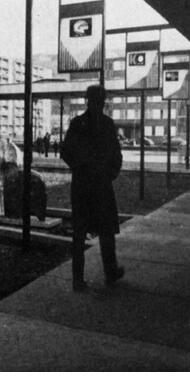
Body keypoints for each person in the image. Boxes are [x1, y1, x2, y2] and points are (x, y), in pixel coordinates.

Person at [60, 84, 124, 292]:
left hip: (81, 185)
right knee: (106, 231)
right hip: (101, 185)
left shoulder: (78, 123)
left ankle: (78, 279)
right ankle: (110, 271)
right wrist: (108, 174)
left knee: (79, 233)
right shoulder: (107, 124)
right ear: (103, 101)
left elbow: (66, 152)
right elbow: (116, 156)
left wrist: (80, 168)